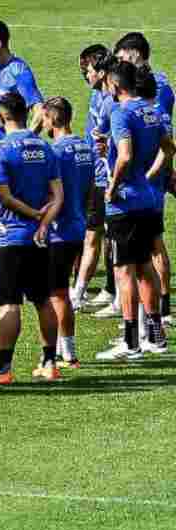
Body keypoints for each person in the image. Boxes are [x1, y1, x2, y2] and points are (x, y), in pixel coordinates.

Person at [0, 92, 63, 384]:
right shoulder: (45, 148)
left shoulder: (0, 149)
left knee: (10, 304)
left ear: (1, 116)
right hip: (40, 238)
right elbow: (58, 195)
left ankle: (3, 369)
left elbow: (4, 197)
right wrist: (44, 222)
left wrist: (34, 216)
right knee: (43, 300)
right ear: (26, 114)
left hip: (10, 238)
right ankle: (49, 363)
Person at [95, 61, 174, 360]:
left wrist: (113, 186)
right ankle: (156, 334)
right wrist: (150, 175)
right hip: (149, 201)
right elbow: (169, 148)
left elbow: (125, 156)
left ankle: (130, 341)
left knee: (123, 271)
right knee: (145, 268)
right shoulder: (154, 110)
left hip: (125, 204)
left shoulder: (120, 112)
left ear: (115, 87)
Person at [0, 19, 45, 292]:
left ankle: (16, 268)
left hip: (9, 154)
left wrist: (26, 141)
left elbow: (40, 110)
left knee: (11, 207)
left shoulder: (19, 71)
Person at [114, 32, 173, 325]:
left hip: (145, 178)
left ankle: (162, 308)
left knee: (152, 245)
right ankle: (152, 316)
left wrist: (153, 173)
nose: (120, 62)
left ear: (134, 53)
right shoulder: (147, 83)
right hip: (145, 176)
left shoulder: (156, 86)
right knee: (144, 250)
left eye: (122, 56)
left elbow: (163, 135)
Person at [42, 97, 95, 367]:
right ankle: (67, 350)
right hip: (78, 226)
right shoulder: (85, 147)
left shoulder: (55, 152)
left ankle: (66, 353)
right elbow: (90, 190)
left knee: (57, 293)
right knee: (62, 290)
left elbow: (52, 193)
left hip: (59, 230)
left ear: (51, 120)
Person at [75, 45, 115, 312]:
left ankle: (78, 293)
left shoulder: (112, 102)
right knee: (102, 235)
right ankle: (111, 289)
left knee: (94, 235)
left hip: (105, 178)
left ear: (101, 71)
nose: (84, 76)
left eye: (86, 70)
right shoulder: (96, 96)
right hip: (93, 174)